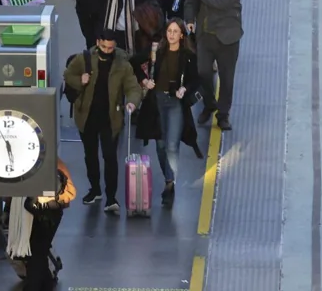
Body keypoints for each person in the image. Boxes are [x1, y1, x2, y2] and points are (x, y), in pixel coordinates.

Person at [63, 32, 142, 214]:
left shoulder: (122, 64)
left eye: (111, 48)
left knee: (110, 157)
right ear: (98, 42)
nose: (107, 51)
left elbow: (133, 87)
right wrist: (79, 80)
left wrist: (132, 101)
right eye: (104, 47)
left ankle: (111, 197)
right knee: (90, 155)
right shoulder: (84, 59)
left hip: (110, 119)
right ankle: (95, 189)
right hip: (87, 116)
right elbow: (68, 75)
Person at [135, 17, 202, 205]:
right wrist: (144, 80)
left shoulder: (188, 56)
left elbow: (196, 80)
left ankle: (170, 184)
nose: (171, 35)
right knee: (160, 145)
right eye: (169, 31)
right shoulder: (157, 51)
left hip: (175, 103)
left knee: (172, 146)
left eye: (175, 32)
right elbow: (134, 62)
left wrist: (184, 89)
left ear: (182, 35)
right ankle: (168, 178)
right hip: (156, 101)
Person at [184, 0, 243, 131]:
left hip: (227, 38)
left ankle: (223, 115)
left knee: (226, 79)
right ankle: (209, 103)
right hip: (206, 36)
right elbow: (190, 0)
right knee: (203, 72)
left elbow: (221, 2)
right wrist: (190, 20)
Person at [10, 158, 76, 290]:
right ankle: (44, 284)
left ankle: (35, 286)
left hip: (46, 214)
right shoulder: (23, 163)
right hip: (35, 211)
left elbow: (68, 193)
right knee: (37, 253)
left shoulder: (53, 163)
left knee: (36, 254)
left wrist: (43, 199)